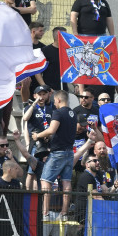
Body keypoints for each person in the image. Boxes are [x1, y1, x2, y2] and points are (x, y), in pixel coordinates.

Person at [31, 90, 76, 220]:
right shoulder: (73, 114)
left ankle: (44, 213)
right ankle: (64, 213)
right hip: (69, 152)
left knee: (45, 180)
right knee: (66, 181)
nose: (55, 103)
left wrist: (37, 135)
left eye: (55, 101)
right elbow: (61, 132)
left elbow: (51, 130)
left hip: (58, 153)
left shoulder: (58, 112)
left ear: (59, 100)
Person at [40, 26, 68, 91]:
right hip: (50, 89)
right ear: (58, 37)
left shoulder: (68, 51)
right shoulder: (45, 51)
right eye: (65, 35)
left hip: (64, 88)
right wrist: (44, 86)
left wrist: (75, 85)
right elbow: (37, 71)